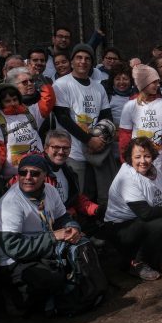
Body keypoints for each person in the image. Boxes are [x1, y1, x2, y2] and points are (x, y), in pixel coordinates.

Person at [0, 153, 86, 313]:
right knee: (51, 278)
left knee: (83, 249)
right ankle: (17, 298)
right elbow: (13, 248)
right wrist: (53, 237)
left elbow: (62, 217)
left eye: (35, 173)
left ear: (45, 175)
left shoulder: (50, 190)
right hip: (16, 261)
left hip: (43, 249)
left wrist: (73, 228)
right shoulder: (10, 202)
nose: (28, 177)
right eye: (23, 172)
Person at [104, 137, 162, 281]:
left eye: (147, 156)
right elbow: (145, 213)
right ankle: (137, 262)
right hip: (120, 227)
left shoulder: (155, 171)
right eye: (137, 157)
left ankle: (152, 256)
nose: (143, 161)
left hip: (142, 221)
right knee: (160, 223)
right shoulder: (127, 177)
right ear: (130, 158)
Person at [52, 44, 114, 204]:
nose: (83, 61)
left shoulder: (98, 88)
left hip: (95, 151)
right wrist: (89, 140)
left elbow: (106, 117)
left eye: (87, 58)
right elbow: (63, 118)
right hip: (72, 152)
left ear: (92, 63)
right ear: (72, 61)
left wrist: (99, 139)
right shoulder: (61, 84)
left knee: (93, 195)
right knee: (76, 197)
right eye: (79, 58)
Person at [119, 64, 162, 176]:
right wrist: (125, 160)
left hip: (160, 163)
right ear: (144, 83)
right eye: (154, 82)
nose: (158, 85)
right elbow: (124, 136)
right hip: (138, 163)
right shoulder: (130, 106)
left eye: (158, 81)